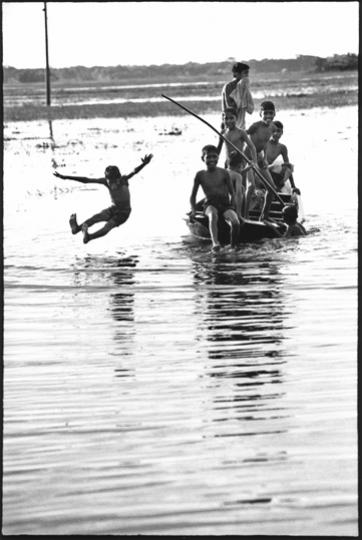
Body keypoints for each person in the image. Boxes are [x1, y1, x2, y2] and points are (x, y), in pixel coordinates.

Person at [53, 154, 153, 243]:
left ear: (118, 179)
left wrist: (144, 164)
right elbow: (86, 180)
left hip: (124, 212)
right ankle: (76, 229)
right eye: (109, 182)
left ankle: (89, 237)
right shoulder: (105, 181)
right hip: (113, 208)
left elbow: (134, 171)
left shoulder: (123, 180)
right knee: (95, 218)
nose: (112, 185)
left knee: (108, 226)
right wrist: (65, 177)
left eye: (114, 182)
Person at [190, 145, 240, 251]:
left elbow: (233, 193)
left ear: (218, 158)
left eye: (214, 157)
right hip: (210, 204)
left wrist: (234, 208)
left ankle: (233, 246)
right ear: (203, 158)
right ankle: (215, 243)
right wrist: (194, 211)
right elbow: (193, 196)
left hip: (225, 205)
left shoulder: (224, 173)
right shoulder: (200, 175)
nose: (212, 160)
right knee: (213, 216)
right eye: (208, 157)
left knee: (235, 222)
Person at [217, 107, 257, 219]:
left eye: (231, 118)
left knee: (244, 189)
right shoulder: (223, 133)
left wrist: (254, 162)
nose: (229, 121)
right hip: (229, 165)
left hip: (241, 164)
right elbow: (218, 150)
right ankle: (232, 212)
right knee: (232, 190)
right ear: (223, 119)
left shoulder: (241, 133)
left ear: (236, 118)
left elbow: (252, 147)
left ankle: (242, 214)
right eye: (226, 118)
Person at [246, 100, 279, 221]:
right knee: (250, 187)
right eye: (265, 113)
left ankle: (264, 216)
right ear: (260, 114)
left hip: (258, 158)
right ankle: (245, 216)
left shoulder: (273, 127)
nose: (268, 116)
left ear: (275, 113)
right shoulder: (255, 126)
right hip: (247, 157)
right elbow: (243, 136)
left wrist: (264, 158)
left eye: (271, 113)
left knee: (272, 189)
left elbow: (265, 142)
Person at [265, 120, 300, 195]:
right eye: (274, 131)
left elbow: (288, 166)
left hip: (273, 173)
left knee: (290, 166)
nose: (276, 134)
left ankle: (278, 185)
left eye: (278, 131)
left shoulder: (282, 147)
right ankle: (272, 186)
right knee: (277, 165)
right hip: (263, 170)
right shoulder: (265, 143)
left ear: (282, 133)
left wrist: (293, 186)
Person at [221, 62, 254, 129]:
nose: (247, 76)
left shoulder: (244, 87)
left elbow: (250, 109)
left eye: (247, 73)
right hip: (230, 124)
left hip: (241, 124)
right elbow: (230, 108)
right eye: (245, 73)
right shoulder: (229, 86)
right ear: (236, 74)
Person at [227, 152, 246, 219]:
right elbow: (238, 194)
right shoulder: (237, 176)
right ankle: (241, 214)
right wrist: (239, 214)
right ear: (239, 165)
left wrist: (249, 168)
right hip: (228, 206)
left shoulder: (224, 172)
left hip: (219, 203)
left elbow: (240, 171)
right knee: (242, 189)